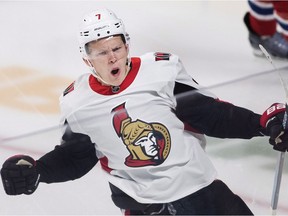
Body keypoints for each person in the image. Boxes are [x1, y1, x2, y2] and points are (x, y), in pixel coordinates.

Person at [1, 8, 288, 215]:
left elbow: (210, 115)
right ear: (87, 59)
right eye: (102, 52)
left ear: (127, 45)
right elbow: (78, 155)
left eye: (117, 47)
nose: (113, 56)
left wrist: (263, 123)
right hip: (146, 209)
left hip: (203, 195)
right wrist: (39, 171)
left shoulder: (160, 72)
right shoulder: (77, 103)